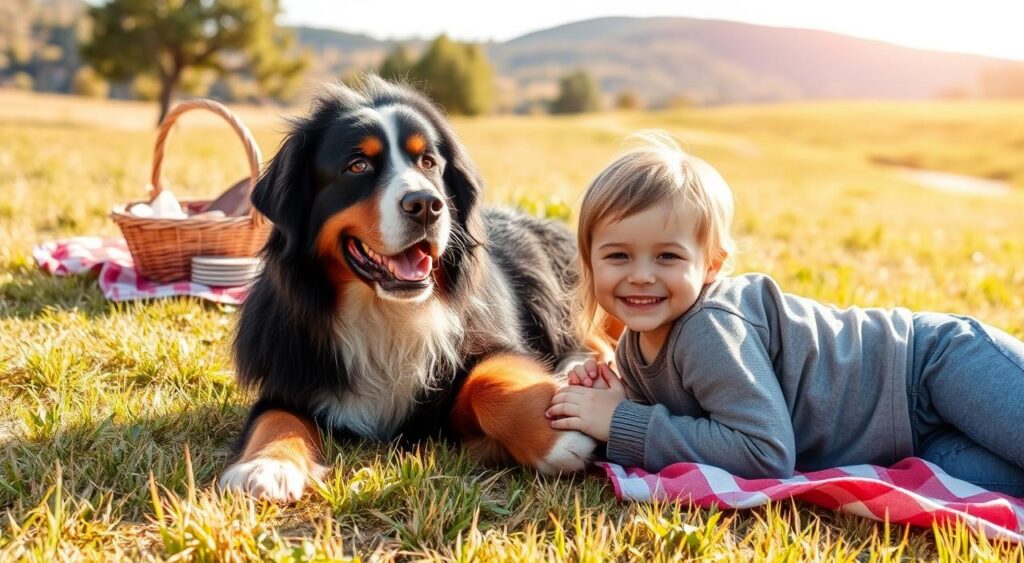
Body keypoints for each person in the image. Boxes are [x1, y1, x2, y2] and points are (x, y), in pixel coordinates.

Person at [546, 131, 1024, 496]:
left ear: (711, 265)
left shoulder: (709, 328)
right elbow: (698, 411)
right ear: (589, 262)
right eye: (618, 256)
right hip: (916, 441)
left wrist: (623, 422)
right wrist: (621, 398)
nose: (641, 276)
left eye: (667, 257)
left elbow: (765, 452)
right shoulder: (633, 346)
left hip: (933, 367)